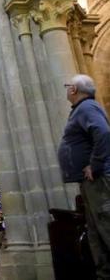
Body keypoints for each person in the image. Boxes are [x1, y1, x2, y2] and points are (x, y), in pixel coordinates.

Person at [58, 74, 110, 278]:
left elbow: (104, 134)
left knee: (106, 225)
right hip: (90, 183)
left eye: (67, 86)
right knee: (96, 232)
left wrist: (94, 165)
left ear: (73, 90)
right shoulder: (83, 109)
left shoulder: (87, 107)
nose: (66, 90)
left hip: (98, 180)